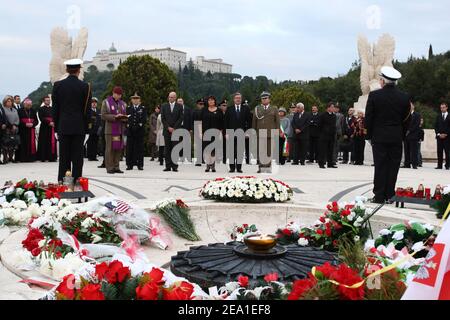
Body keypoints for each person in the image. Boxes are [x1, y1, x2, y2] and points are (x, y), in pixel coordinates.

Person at [365, 66, 411, 204]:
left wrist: (370, 135)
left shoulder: (374, 95)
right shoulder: (404, 97)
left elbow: (369, 118)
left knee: (380, 165)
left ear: (382, 81)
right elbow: (407, 119)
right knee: (393, 166)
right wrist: (401, 134)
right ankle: (390, 195)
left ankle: (379, 195)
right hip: (396, 136)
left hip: (379, 137)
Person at [52, 59, 92, 182]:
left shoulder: (58, 85)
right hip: (79, 127)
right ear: (79, 70)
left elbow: (55, 109)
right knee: (77, 158)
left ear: (66, 70)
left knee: (64, 158)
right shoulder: (85, 86)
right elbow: (87, 111)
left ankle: (63, 183)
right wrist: (87, 129)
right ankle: (76, 183)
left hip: (63, 126)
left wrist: (56, 128)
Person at [101, 86, 128, 174]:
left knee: (118, 149)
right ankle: (109, 167)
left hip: (119, 130)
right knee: (110, 149)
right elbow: (103, 115)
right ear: (113, 93)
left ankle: (116, 167)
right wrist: (114, 117)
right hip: (110, 130)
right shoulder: (106, 102)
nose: (119, 96)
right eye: (117, 94)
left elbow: (125, 115)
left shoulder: (123, 103)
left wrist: (124, 117)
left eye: (120, 95)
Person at [252, 91, 280, 173]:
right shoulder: (257, 109)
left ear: (269, 99)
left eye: (266, 98)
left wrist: (277, 132)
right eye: (263, 99)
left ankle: (268, 167)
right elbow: (254, 121)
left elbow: (277, 122)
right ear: (261, 100)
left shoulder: (274, 109)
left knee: (269, 151)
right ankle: (261, 167)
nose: (264, 100)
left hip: (270, 133)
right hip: (260, 133)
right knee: (261, 151)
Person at [224, 92, 252, 173]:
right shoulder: (229, 109)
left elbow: (249, 122)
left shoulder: (246, 109)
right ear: (234, 99)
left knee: (240, 151)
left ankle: (239, 168)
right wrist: (226, 133)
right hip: (231, 132)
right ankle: (232, 168)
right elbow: (226, 122)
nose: (238, 99)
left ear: (241, 99)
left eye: (239, 98)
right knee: (231, 151)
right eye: (236, 98)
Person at [161, 92, 183, 172]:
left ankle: (174, 166)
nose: (170, 98)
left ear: (175, 98)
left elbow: (180, 118)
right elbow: (163, 118)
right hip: (167, 131)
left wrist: (174, 128)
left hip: (176, 131)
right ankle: (167, 166)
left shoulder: (179, 106)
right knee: (167, 149)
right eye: (169, 97)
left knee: (175, 149)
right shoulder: (164, 106)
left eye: (172, 97)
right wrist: (168, 127)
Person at [201, 96, 224, 172]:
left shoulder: (219, 111)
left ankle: (213, 165)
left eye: (212, 100)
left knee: (214, 150)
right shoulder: (204, 110)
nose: (210, 102)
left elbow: (222, 122)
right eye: (209, 100)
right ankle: (208, 165)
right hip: (206, 133)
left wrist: (221, 131)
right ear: (207, 102)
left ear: (215, 101)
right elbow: (200, 122)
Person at [125, 93, 147, 171]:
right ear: (131, 100)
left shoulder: (143, 108)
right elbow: (126, 119)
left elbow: (144, 119)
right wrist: (129, 127)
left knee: (139, 149)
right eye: (134, 99)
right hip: (130, 131)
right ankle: (129, 164)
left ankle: (140, 164)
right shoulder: (128, 108)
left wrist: (138, 126)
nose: (135, 100)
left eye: (137, 99)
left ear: (139, 100)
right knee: (129, 149)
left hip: (139, 131)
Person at [17, 98, 38, 163]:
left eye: (30, 105)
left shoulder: (33, 110)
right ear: (24, 104)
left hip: (31, 130)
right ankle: (23, 158)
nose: (29, 106)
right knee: (23, 144)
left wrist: (33, 124)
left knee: (31, 144)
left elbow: (36, 121)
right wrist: (25, 124)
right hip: (23, 130)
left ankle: (31, 158)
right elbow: (18, 120)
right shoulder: (19, 111)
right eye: (27, 105)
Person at [37, 95, 57, 162]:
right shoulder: (41, 109)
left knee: (52, 142)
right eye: (46, 100)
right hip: (44, 128)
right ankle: (43, 157)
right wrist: (49, 122)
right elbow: (41, 118)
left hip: (52, 128)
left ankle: (52, 157)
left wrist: (54, 122)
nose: (48, 101)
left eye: (49, 100)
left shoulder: (53, 108)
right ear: (44, 101)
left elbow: (56, 116)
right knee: (44, 142)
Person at [1, 96, 20, 164]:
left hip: (15, 129)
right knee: (6, 144)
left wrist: (15, 125)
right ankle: (5, 158)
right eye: (8, 101)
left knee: (13, 143)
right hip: (7, 128)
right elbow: (4, 119)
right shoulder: (3, 109)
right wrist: (11, 126)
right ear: (5, 102)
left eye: (11, 101)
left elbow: (17, 118)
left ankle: (11, 158)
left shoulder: (14, 109)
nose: (10, 102)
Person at [318, 103, 337, 169]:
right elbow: (319, 125)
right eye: (332, 107)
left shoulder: (334, 116)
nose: (333, 108)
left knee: (330, 150)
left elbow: (334, 126)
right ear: (328, 108)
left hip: (331, 136)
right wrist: (323, 132)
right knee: (323, 150)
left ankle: (330, 163)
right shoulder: (322, 115)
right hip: (324, 135)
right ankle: (321, 163)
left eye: (333, 107)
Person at [403, 103, 421, 169]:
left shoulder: (417, 115)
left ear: (413, 107)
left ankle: (414, 164)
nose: (410, 107)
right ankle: (407, 164)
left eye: (411, 106)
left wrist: (409, 131)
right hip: (406, 136)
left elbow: (417, 125)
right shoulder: (405, 114)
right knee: (406, 150)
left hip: (413, 135)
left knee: (414, 151)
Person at [434, 102, 450, 170]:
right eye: (441, 108)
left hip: (448, 137)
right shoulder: (438, 116)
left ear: (446, 107)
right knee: (439, 151)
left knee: (447, 152)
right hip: (439, 137)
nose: (442, 109)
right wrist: (438, 134)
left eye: (443, 107)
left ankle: (447, 165)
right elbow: (436, 126)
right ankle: (439, 165)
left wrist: (446, 134)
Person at [177, 97, 193, 163]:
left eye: (181, 101)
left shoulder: (188, 109)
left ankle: (189, 157)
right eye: (178, 101)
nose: (179, 102)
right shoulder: (175, 109)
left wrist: (191, 129)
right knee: (179, 142)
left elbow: (191, 119)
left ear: (183, 102)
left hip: (186, 128)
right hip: (178, 128)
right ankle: (181, 156)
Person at [193, 99, 205, 167]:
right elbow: (192, 121)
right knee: (198, 145)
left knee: (204, 145)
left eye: (202, 104)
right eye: (200, 104)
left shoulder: (206, 111)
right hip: (197, 129)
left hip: (204, 129)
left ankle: (202, 158)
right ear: (197, 104)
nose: (201, 105)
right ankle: (198, 160)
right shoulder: (194, 111)